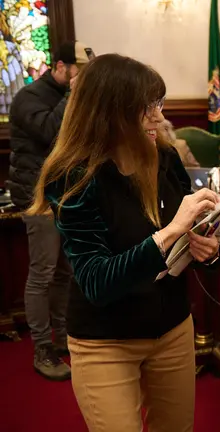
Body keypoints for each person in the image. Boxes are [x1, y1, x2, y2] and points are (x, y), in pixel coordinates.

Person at [27, 54, 220, 430]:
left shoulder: (164, 156)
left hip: (172, 328)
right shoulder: (74, 176)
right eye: (147, 107)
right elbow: (97, 283)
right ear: (111, 111)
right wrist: (168, 233)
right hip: (105, 340)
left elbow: (186, 240)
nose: (160, 117)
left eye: (159, 105)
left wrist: (207, 252)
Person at [6, 40, 93, 380]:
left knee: (65, 272)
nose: (80, 79)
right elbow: (50, 132)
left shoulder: (64, 94)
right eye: (76, 72)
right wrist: (73, 95)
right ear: (59, 67)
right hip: (37, 195)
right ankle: (42, 348)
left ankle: (63, 337)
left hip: (66, 193)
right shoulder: (28, 97)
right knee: (42, 273)